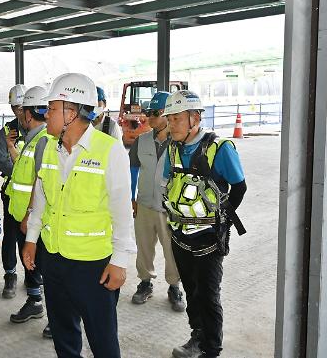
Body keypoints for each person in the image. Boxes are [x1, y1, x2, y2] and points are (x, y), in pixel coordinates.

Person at [22, 73, 135, 358]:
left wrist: (120, 262)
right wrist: (32, 240)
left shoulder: (110, 151)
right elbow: (41, 200)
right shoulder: (48, 147)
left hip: (93, 267)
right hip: (54, 258)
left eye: (51, 108)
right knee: (63, 336)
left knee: (102, 340)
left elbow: (122, 211)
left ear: (71, 113)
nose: (45, 114)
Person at [162, 90, 247, 358]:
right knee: (190, 289)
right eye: (169, 119)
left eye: (176, 118)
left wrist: (221, 220)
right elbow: (169, 181)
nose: (170, 124)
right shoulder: (173, 148)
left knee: (208, 296)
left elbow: (239, 188)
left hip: (208, 238)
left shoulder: (219, 149)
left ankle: (211, 349)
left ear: (195, 118)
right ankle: (197, 336)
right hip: (179, 234)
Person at [128, 91, 185, 311]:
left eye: (153, 113)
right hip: (143, 204)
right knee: (144, 247)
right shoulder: (141, 141)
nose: (148, 117)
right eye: (147, 113)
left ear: (165, 114)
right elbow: (133, 170)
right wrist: (132, 197)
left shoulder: (179, 143)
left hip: (169, 208)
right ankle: (145, 283)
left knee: (171, 249)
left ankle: (174, 286)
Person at [5, 86, 52, 338]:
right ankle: (35, 302)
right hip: (23, 215)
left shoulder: (43, 139)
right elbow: (22, 172)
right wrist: (12, 147)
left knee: (45, 266)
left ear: (28, 113)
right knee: (31, 264)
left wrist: (29, 216)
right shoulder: (33, 137)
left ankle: (57, 318)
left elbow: (41, 181)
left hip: (33, 218)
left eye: (22, 110)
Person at [0, 84, 26, 299]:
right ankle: (10, 275)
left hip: (36, 193)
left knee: (32, 236)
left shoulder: (41, 130)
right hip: (12, 191)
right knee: (11, 234)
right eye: (15, 107)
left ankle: (34, 275)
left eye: (22, 107)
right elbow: (0, 161)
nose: (19, 111)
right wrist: (24, 172)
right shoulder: (8, 131)